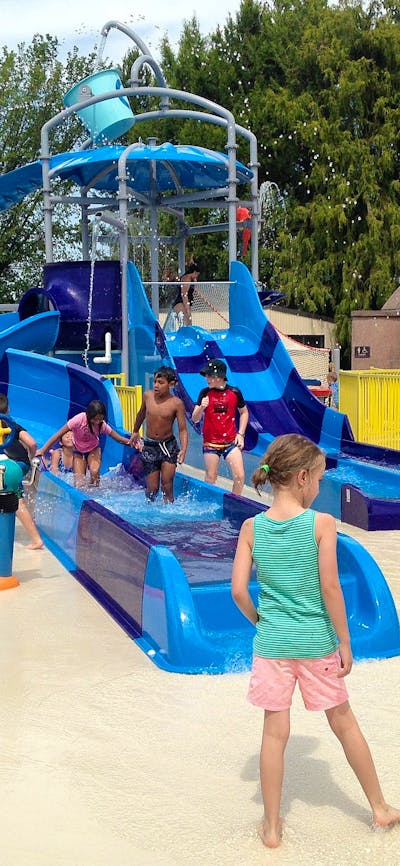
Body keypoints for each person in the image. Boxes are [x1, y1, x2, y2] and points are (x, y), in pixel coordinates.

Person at [231, 433, 400, 849]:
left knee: (273, 733)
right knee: (344, 723)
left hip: (272, 646)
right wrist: (345, 642)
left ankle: (271, 828)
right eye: (320, 480)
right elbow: (330, 588)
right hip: (316, 642)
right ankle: (379, 808)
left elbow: (237, 590)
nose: (320, 487)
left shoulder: (252, 527)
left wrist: (262, 622)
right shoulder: (320, 524)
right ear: (303, 477)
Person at [36, 400, 132, 487]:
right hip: (79, 451)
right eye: (95, 419)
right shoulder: (78, 420)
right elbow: (58, 435)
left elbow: (118, 438)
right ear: (89, 415)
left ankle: (96, 493)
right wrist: (43, 450)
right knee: (79, 484)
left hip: (93, 449)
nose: (97, 422)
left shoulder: (102, 425)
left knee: (94, 472)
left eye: (100, 419)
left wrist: (132, 443)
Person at [129, 366, 188, 503]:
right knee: (152, 490)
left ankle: (170, 518)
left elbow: (182, 429)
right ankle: (150, 514)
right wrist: (135, 431)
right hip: (150, 446)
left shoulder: (176, 403)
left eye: (161, 383)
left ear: (170, 384)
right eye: (155, 381)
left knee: (167, 486)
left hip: (168, 446)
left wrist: (184, 450)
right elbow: (141, 414)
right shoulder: (147, 396)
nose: (156, 385)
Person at [191, 359, 248, 496]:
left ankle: (235, 502)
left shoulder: (235, 392)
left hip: (230, 442)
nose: (207, 379)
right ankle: (208, 503)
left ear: (221, 377)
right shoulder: (204, 393)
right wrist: (201, 408)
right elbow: (195, 418)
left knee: (239, 477)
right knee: (211, 477)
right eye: (206, 376)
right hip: (211, 443)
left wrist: (240, 434)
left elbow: (244, 412)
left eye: (210, 376)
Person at [0, 393, 43, 549]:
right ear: (8, 409)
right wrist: (31, 461)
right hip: (20, 465)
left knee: (17, 500)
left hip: (7, 468)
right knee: (15, 496)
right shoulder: (12, 425)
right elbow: (32, 443)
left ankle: (36, 539)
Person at [172, 259, 200, 326]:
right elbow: (184, 294)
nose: (197, 277)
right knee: (185, 324)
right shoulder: (186, 278)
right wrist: (187, 309)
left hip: (185, 302)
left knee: (189, 324)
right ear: (194, 272)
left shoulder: (191, 278)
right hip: (180, 303)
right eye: (197, 275)